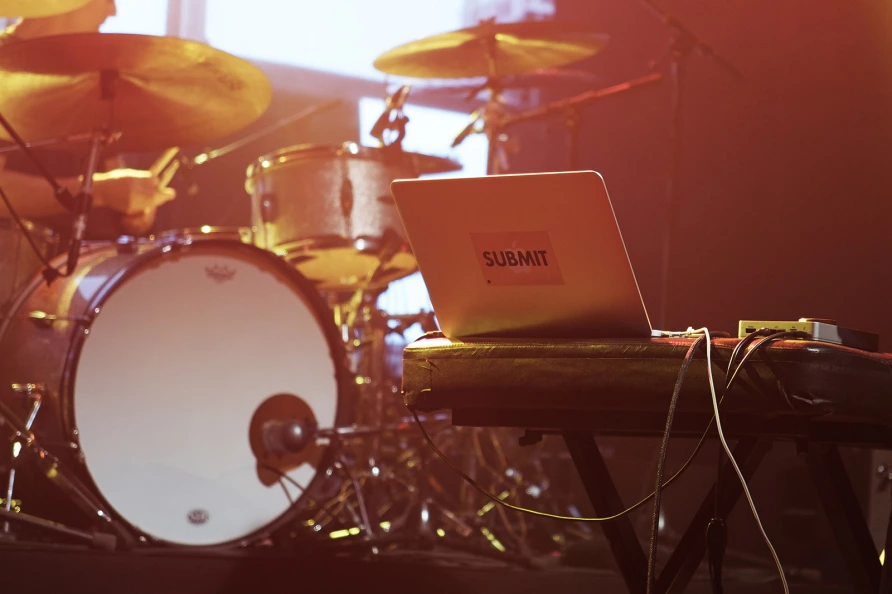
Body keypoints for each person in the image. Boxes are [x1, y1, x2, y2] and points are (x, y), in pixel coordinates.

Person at [0, 0, 175, 237]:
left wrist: (134, 206)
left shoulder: (95, 75)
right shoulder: (4, 63)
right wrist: (99, 191)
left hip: (90, 255)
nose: (112, 11)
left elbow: (114, 177)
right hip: (19, 254)